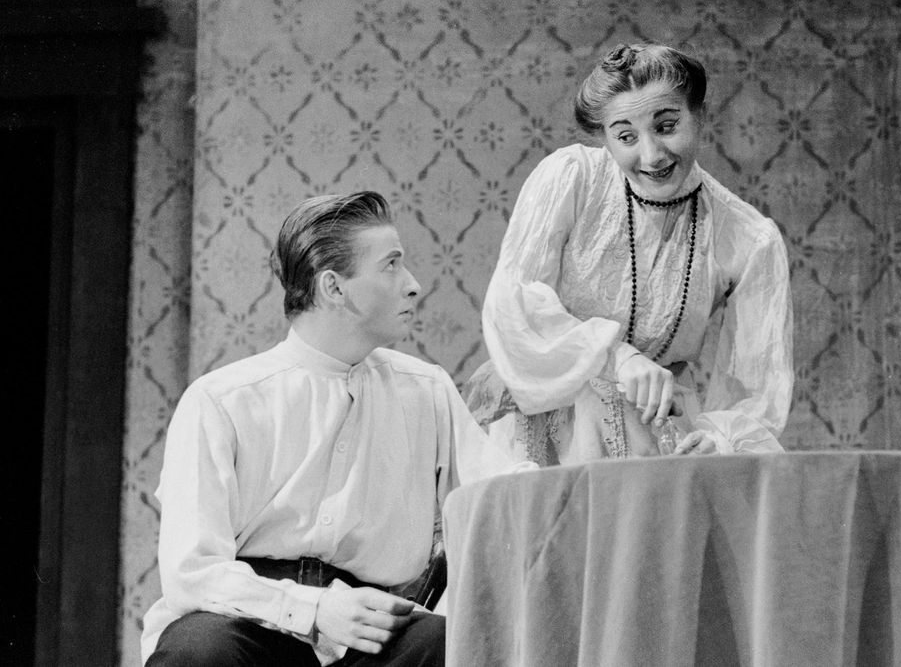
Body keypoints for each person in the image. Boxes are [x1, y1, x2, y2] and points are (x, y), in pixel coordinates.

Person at [141, 191, 532, 666]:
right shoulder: (221, 401)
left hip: (374, 637)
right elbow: (191, 573)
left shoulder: (425, 390)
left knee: (448, 646)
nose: (413, 285)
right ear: (334, 287)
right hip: (249, 626)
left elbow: (503, 498)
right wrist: (315, 608)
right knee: (200, 652)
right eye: (391, 265)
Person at [466, 43, 793, 465]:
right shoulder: (571, 178)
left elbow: (758, 387)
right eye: (625, 136)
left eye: (667, 125)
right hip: (546, 424)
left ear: (701, 116)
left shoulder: (749, 237)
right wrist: (617, 357)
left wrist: (719, 440)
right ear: (604, 137)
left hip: (654, 434)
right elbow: (514, 301)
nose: (652, 155)